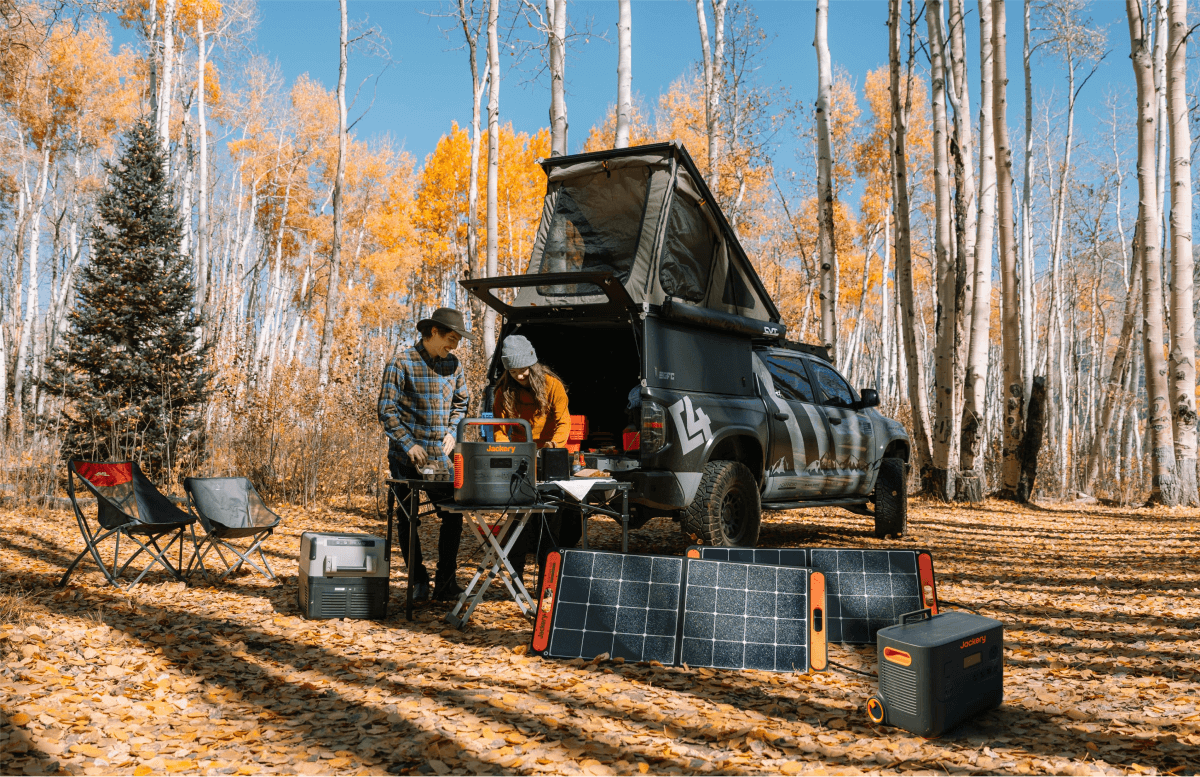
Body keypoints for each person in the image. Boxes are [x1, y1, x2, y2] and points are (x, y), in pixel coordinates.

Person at [378, 307, 470, 602]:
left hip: (442, 458)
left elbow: (462, 402)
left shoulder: (454, 365)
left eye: (457, 341)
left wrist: (452, 432)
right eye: (451, 339)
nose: (454, 346)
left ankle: (446, 582)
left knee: (453, 515)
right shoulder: (400, 362)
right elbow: (386, 410)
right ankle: (418, 581)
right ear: (433, 332)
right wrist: (407, 443)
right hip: (406, 459)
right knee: (407, 519)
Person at [491, 335, 580, 587]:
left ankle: (546, 583)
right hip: (520, 461)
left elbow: (564, 422)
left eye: (524, 371)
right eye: (514, 372)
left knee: (550, 521)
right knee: (518, 521)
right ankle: (516, 581)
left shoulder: (553, 386)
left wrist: (552, 446)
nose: (520, 376)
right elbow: (499, 428)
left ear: (533, 365)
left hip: (549, 459)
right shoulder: (503, 391)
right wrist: (504, 450)